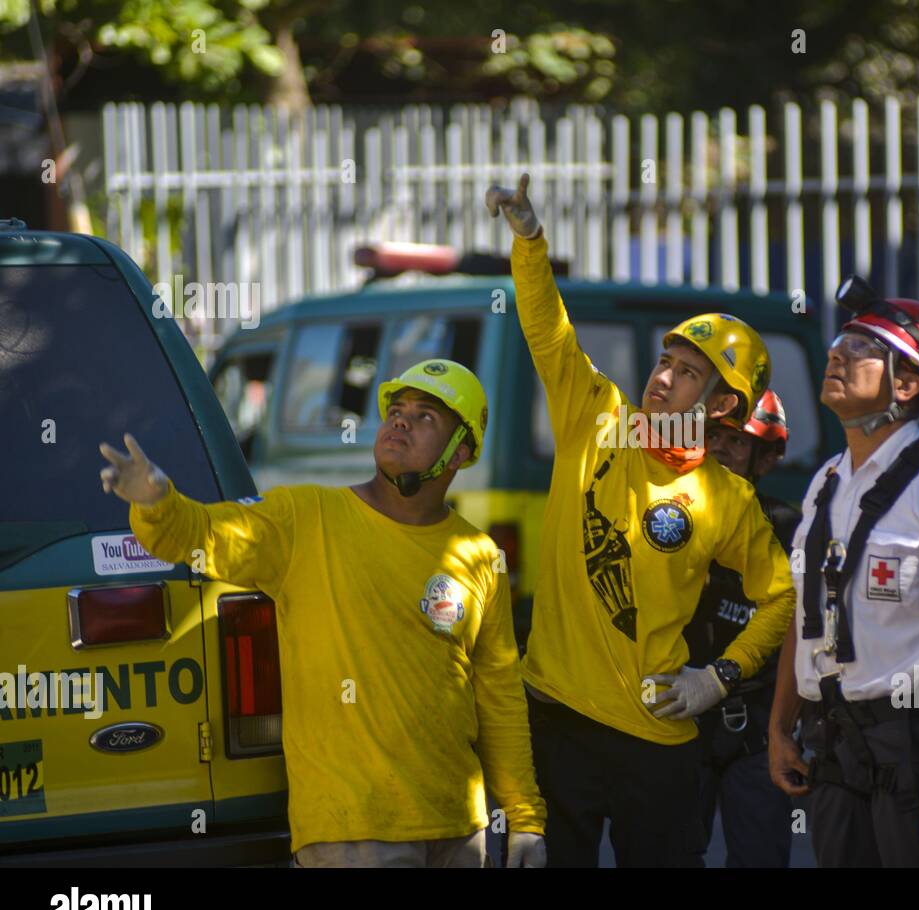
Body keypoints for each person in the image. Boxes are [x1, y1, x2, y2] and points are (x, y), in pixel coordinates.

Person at [99, 360, 546, 867]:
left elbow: (500, 697)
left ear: (459, 452)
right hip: (352, 830)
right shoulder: (306, 519)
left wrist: (525, 818)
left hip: (459, 830)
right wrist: (157, 501)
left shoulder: (479, 554)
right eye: (396, 410)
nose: (399, 421)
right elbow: (196, 534)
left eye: (425, 417)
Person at [485, 173, 795, 867]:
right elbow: (546, 328)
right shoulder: (594, 418)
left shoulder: (731, 499)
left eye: (688, 372)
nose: (663, 377)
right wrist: (530, 240)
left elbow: (782, 596)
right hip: (555, 716)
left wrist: (716, 676)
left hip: (658, 740)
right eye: (666, 359)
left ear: (721, 407)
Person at [767, 276, 919, 868]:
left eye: (861, 349)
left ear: (907, 383)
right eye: (838, 344)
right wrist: (780, 727)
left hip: (918, 742)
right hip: (833, 746)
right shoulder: (825, 482)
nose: (834, 356)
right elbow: (806, 611)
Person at [684, 389, 801, 867]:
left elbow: (803, 632)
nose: (720, 449)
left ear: (767, 456)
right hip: (678, 722)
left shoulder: (788, 529)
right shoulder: (667, 518)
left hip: (754, 729)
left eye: (736, 441)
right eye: (712, 435)